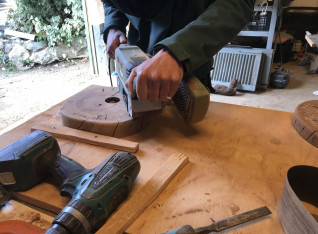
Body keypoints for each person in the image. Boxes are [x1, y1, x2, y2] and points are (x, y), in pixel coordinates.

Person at [101, 0, 255, 104]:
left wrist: (178, 51)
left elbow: (238, 2)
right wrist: (113, 24)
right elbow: (109, 2)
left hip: (188, 60)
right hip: (135, 63)